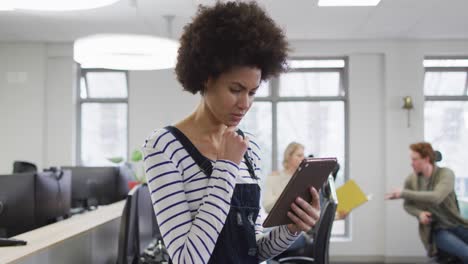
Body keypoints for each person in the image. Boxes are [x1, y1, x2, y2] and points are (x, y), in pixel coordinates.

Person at [141, 2, 321, 264]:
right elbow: (188, 259)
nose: (245, 104)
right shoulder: (164, 147)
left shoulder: (250, 150)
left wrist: (291, 229)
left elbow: (254, 249)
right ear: (206, 77)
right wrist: (225, 167)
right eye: (236, 89)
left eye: (252, 92)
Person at [385, 142, 468, 262]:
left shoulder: (446, 174)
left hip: (456, 224)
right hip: (437, 230)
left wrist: (403, 193)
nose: (411, 163)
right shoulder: (411, 180)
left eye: (415, 159)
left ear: (426, 159)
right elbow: (408, 205)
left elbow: (437, 196)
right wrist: (419, 213)